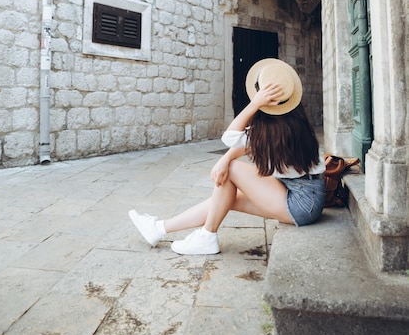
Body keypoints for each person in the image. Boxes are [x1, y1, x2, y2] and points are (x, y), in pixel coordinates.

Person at [129, 58, 325, 255]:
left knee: (232, 169)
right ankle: (160, 228)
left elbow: (230, 137)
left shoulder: (284, 131)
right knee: (223, 198)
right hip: (301, 196)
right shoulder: (290, 124)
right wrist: (224, 159)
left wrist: (254, 105)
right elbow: (248, 143)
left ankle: (206, 236)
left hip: (301, 202)